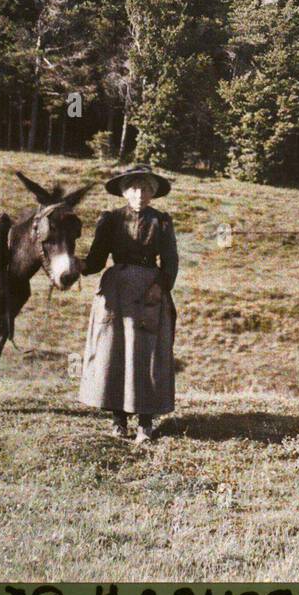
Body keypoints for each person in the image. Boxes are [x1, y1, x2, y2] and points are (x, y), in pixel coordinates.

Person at [77, 164, 177, 443]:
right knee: (114, 353)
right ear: (124, 191)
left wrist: (160, 287)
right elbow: (96, 259)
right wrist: (78, 265)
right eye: (134, 188)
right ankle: (118, 420)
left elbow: (171, 262)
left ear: (153, 193)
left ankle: (145, 422)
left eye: (146, 188)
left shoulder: (162, 221)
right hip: (116, 293)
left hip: (149, 294)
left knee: (146, 354)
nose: (140, 193)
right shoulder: (110, 220)